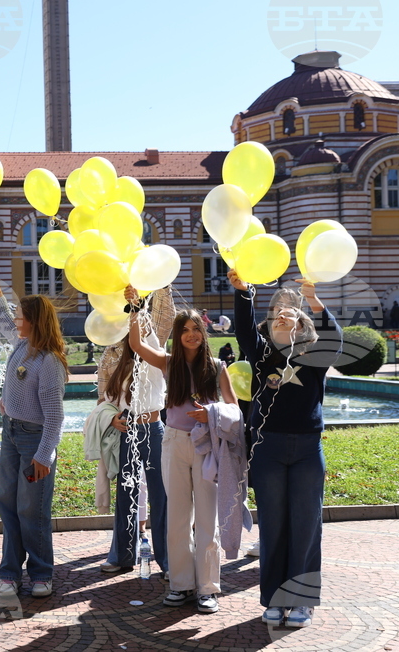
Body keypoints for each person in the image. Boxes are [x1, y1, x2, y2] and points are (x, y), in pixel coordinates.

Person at [230, 270, 342, 629]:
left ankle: (303, 601)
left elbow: (335, 339)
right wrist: (243, 292)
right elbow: (245, 331)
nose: (282, 313)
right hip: (269, 449)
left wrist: (312, 299)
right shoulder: (262, 355)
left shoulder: (315, 355)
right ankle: (275, 601)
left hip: (308, 450)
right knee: (274, 526)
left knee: (306, 526)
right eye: (277, 311)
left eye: (290, 312)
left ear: (302, 324)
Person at [128, 292, 237, 615]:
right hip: (174, 442)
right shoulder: (168, 363)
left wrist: (213, 414)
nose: (191, 334)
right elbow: (136, 345)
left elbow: (233, 407)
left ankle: (207, 589)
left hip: (207, 444)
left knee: (207, 519)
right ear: (178, 335)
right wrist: (135, 309)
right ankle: (180, 584)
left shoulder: (217, 367)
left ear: (204, 334)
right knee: (177, 517)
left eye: (196, 329)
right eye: (185, 330)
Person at [0, 250, 67, 599]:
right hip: (12, 434)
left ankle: (41, 573)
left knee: (31, 509)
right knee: (8, 502)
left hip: (34, 442)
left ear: (34, 320)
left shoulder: (48, 361)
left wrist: (44, 456)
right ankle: (9, 573)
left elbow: (55, 416)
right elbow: (1, 316)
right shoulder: (22, 346)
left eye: (22, 315)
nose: (16, 319)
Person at [95, 285, 174, 579]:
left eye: (134, 316)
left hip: (153, 428)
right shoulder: (111, 354)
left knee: (162, 495)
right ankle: (122, 554)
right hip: (126, 430)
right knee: (125, 494)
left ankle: (168, 559)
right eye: (126, 316)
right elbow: (103, 398)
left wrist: (157, 287)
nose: (130, 320)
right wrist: (112, 417)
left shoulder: (154, 345)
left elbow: (165, 317)